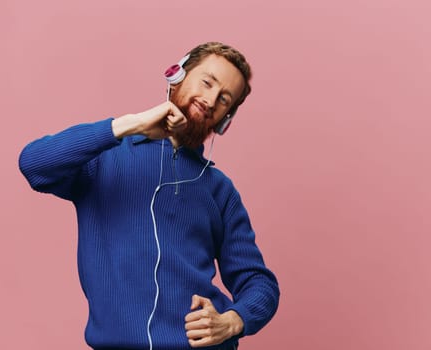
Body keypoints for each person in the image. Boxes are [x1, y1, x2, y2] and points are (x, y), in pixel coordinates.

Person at [19, 42, 279, 350]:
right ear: (177, 74)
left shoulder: (220, 190)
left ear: (226, 119)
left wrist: (233, 320)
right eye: (207, 82)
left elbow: (260, 284)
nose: (210, 100)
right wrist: (132, 125)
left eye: (224, 99)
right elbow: (34, 163)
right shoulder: (104, 160)